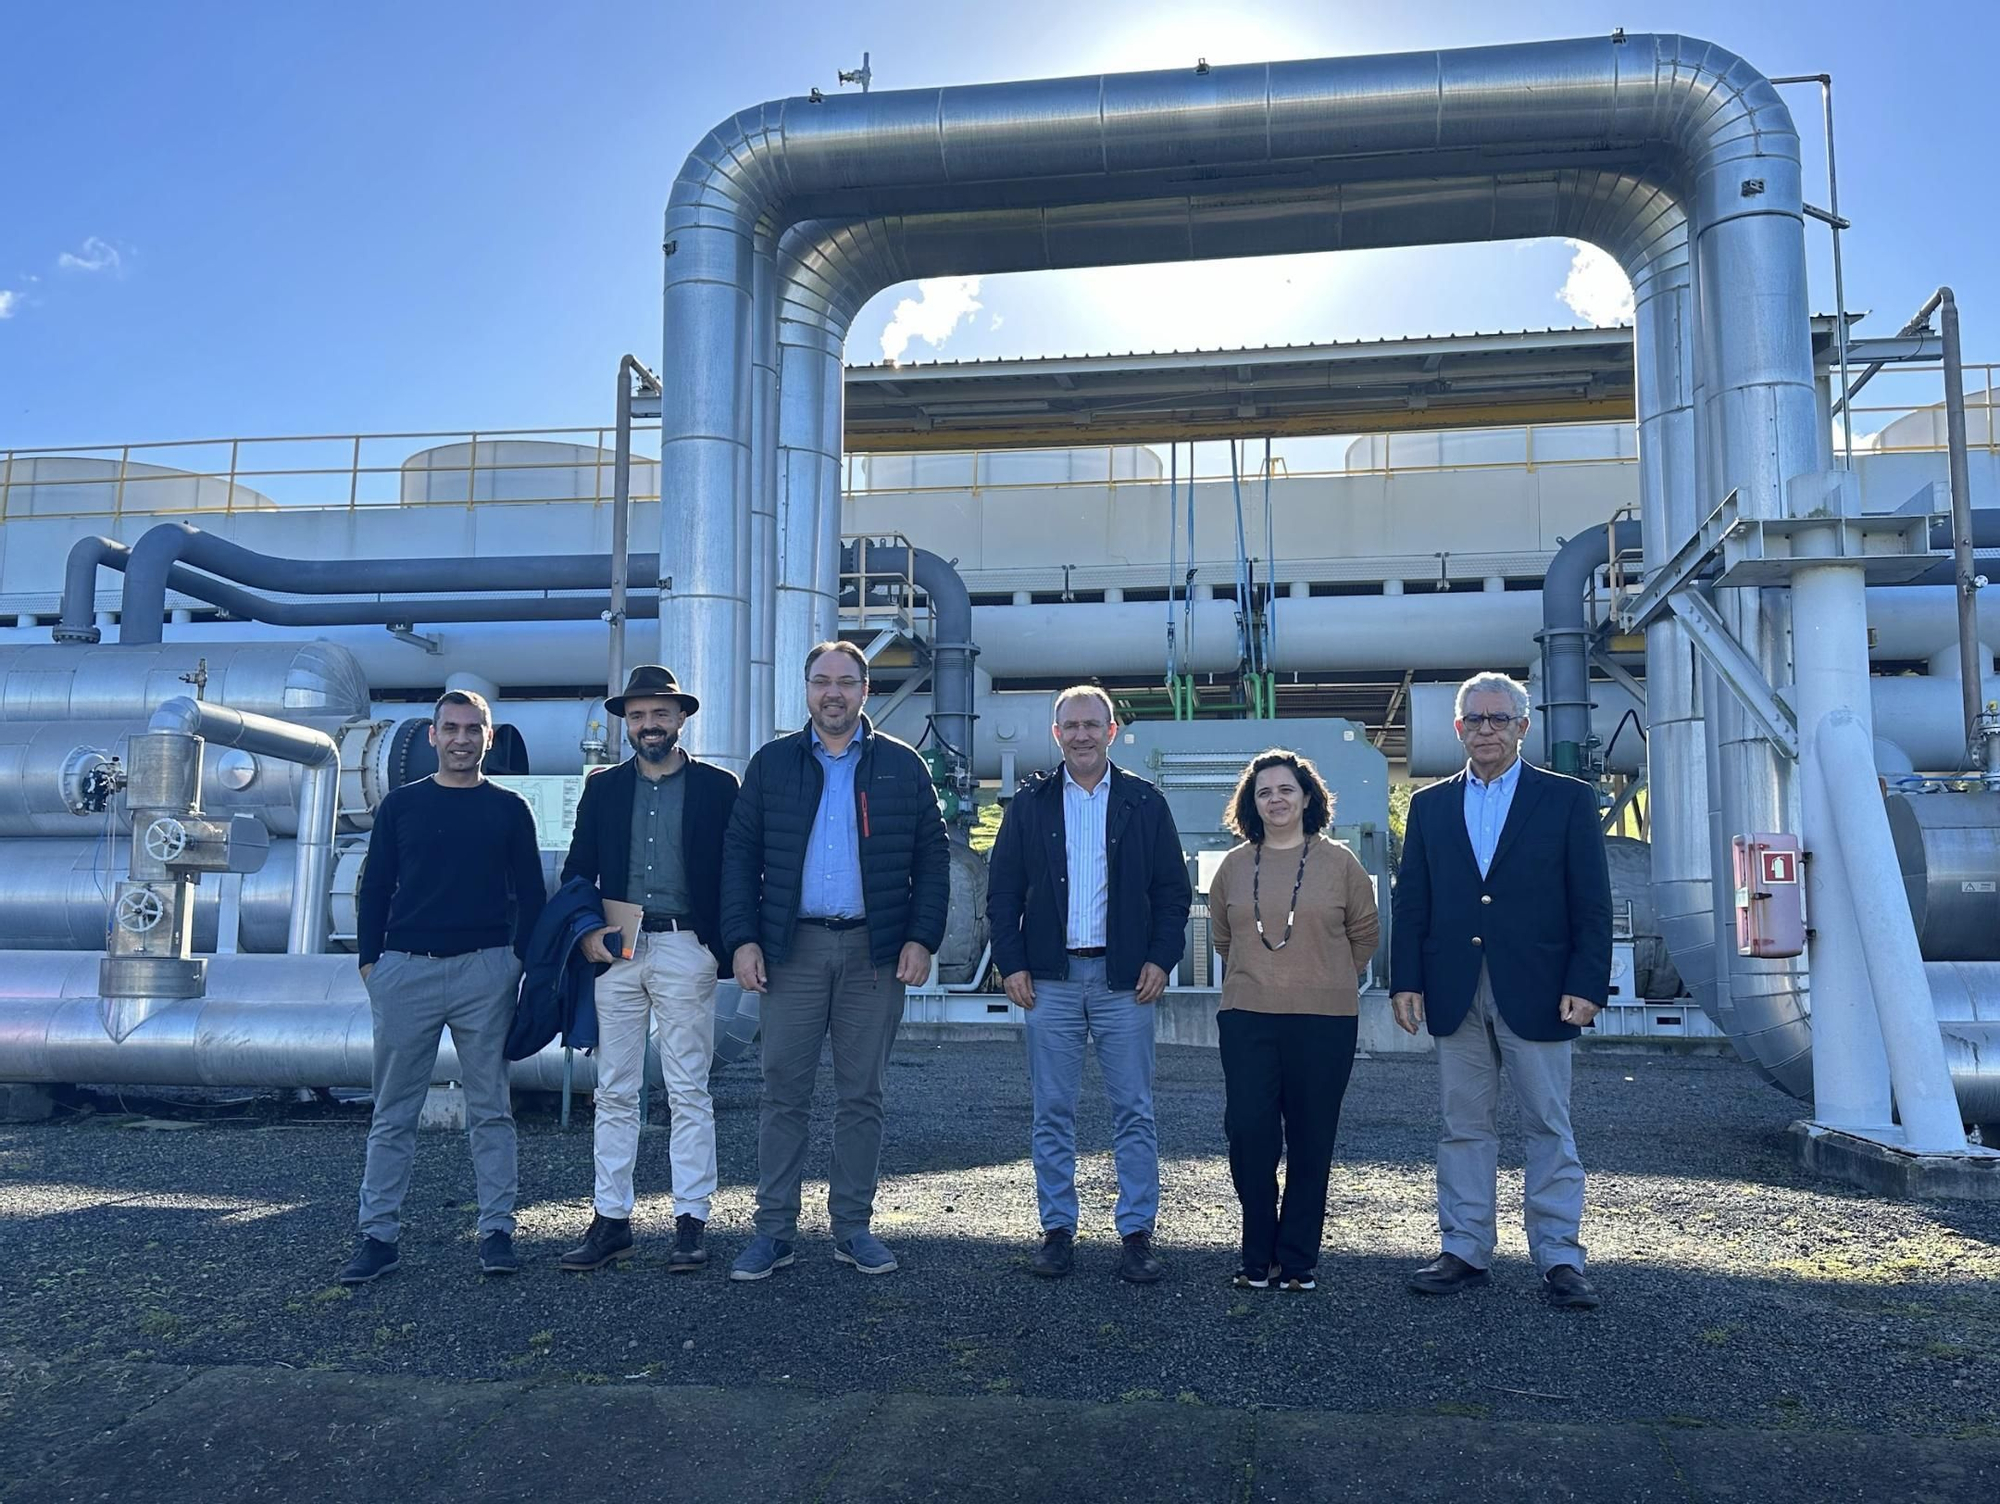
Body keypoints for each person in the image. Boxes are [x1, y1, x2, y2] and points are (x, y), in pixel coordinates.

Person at [719, 641, 951, 1281]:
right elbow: (739, 856)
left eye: (846, 682)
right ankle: (773, 1232)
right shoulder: (772, 765)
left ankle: (852, 1227)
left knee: (862, 1096)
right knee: (782, 1094)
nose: (834, 693)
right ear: (806, 689)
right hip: (791, 950)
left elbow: (932, 858)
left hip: (874, 953)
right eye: (822, 681)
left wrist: (921, 938)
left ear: (865, 691)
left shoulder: (902, 766)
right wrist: (742, 939)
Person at [1390, 671, 1612, 1310]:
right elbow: (1413, 902)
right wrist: (1406, 980)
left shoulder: (1567, 800)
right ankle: (1464, 1249)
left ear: (1523, 726)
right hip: (1453, 988)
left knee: (1548, 1124)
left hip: (1541, 988)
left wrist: (1587, 983)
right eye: (1475, 719)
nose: (1486, 729)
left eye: (1499, 718)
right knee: (1462, 1125)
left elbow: (1591, 901)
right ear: (1457, 729)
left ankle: (1560, 1257)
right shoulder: (1430, 806)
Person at [985, 684, 1192, 1283]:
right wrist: (1012, 964)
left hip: (1124, 981)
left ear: (1111, 731)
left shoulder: (1144, 803)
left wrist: (1161, 959)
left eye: (1091, 724)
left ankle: (1137, 1234)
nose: (1081, 735)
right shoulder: (1029, 806)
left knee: (1134, 1111)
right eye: (1070, 726)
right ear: (1057, 735)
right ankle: (1057, 1231)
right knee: (1053, 1110)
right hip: (1049, 979)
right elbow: (1002, 893)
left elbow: (1172, 894)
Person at [341, 689, 547, 1284]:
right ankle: (378, 1237)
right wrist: (371, 964)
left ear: (489, 736)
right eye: (451, 728)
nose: (461, 738)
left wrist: (516, 963)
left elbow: (531, 894)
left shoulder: (509, 809)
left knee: (491, 1108)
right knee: (393, 1111)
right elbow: (374, 886)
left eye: (472, 728)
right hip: (406, 969)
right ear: (432, 736)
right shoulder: (401, 806)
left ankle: (497, 1231)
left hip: (485, 971)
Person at [556, 666, 739, 1274]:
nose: (648, 725)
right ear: (625, 724)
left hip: (687, 944)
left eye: (660, 713)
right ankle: (611, 1220)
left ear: (681, 718)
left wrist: (723, 945)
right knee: (614, 1090)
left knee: (688, 1089)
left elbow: (741, 871)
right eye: (637, 716)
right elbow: (577, 872)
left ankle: (691, 1221)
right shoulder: (603, 789)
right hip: (619, 949)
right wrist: (587, 933)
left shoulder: (719, 788)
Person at [1208, 749, 1379, 1293]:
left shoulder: (1341, 864)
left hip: (1324, 1020)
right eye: (1264, 792)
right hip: (1247, 1017)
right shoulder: (1233, 866)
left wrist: (1325, 976)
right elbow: (1223, 937)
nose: (1275, 800)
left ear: (1307, 797)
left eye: (1286, 789)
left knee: (1311, 1138)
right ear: (1251, 804)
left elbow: (1365, 934)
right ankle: (1257, 1252)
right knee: (1248, 1133)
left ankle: (1298, 1259)